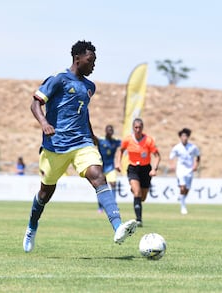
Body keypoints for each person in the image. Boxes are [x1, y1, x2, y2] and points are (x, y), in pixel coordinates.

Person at [23, 40, 137, 253]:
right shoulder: (58, 80)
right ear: (78, 58)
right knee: (45, 193)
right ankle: (32, 227)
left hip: (82, 141)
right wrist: (45, 123)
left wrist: (92, 134)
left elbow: (82, 112)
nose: (93, 65)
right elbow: (35, 103)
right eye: (90, 60)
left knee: (98, 176)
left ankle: (117, 226)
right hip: (55, 145)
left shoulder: (89, 87)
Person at [116, 118, 161, 227]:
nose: (138, 129)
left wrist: (154, 169)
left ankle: (135, 189)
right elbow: (121, 150)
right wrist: (118, 163)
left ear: (142, 128)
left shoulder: (149, 141)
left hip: (146, 169)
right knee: (137, 193)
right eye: (135, 127)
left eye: (140, 127)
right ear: (133, 128)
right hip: (133, 168)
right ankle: (139, 219)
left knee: (143, 197)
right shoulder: (127, 140)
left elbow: (157, 156)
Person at [169, 128, 200, 215]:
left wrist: (195, 165)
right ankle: (183, 207)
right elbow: (171, 157)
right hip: (180, 169)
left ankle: (181, 198)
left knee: (187, 189)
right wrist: (172, 165)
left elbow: (198, 156)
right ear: (180, 137)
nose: (184, 137)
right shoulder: (177, 147)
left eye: (186, 136)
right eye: (183, 136)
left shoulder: (193, 147)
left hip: (189, 170)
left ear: (188, 137)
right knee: (182, 187)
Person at [97, 125, 121, 213]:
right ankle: (100, 207)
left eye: (111, 130)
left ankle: (113, 205)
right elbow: (93, 139)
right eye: (108, 130)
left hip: (110, 166)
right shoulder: (101, 140)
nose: (110, 131)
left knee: (113, 184)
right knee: (100, 186)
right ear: (105, 131)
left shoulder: (115, 142)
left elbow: (125, 144)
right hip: (101, 166)